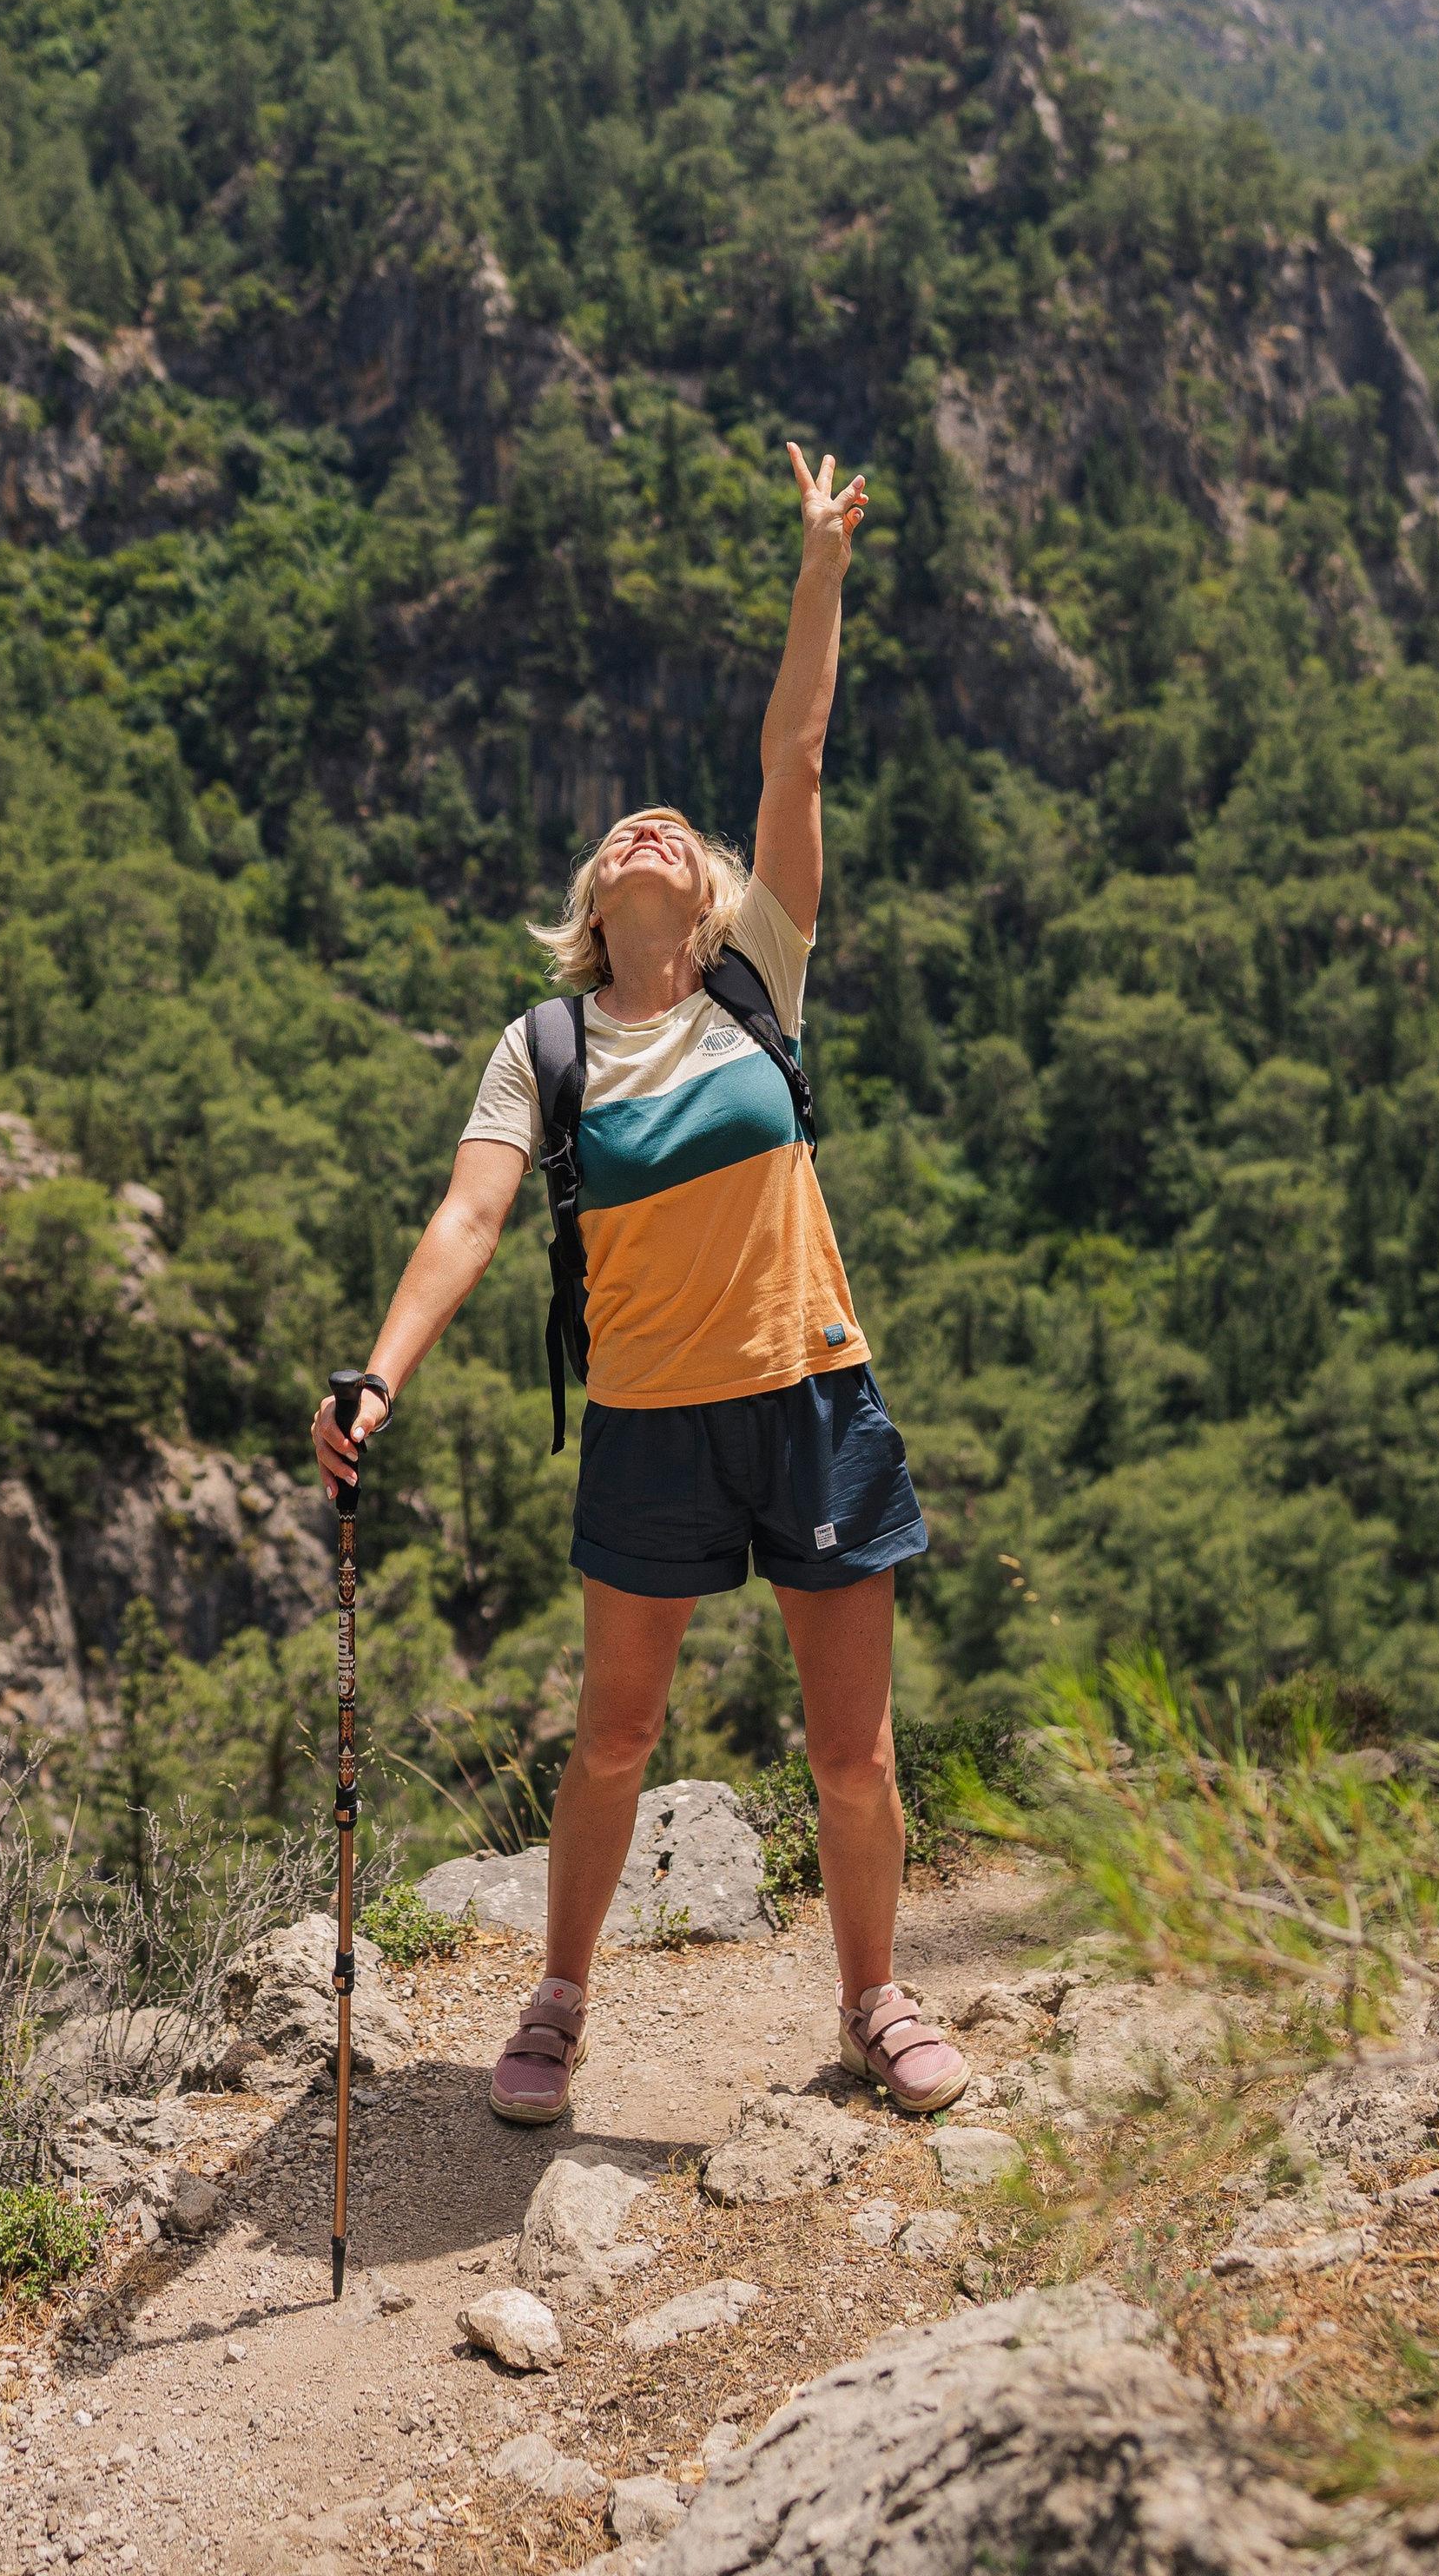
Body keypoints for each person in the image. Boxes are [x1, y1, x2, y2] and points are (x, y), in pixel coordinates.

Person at [311, 443, 967, 2125]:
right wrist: (379, 1374)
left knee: (852, 1750)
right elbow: (466, 1222)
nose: (645, 829)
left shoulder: (763, 977)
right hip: (651, 1418)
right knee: (612, 1737)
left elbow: (793, 751)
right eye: (620, 836)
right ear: (594, 905)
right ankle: (556, 2004)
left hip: (811, 1389)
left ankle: (874, 2002)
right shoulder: (543, 1048)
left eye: (669, 829)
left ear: (715, 890)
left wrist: (820, 568)